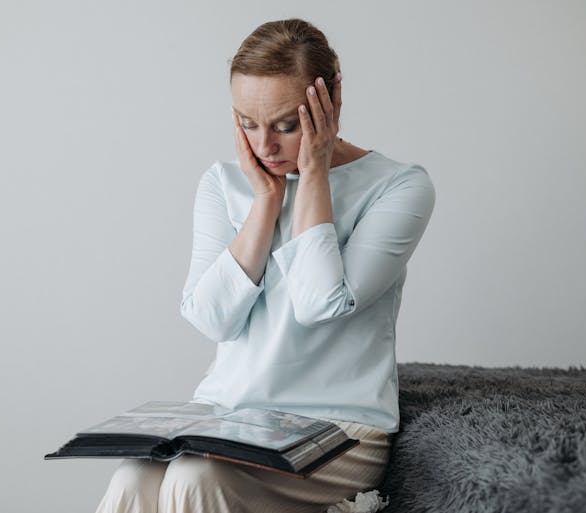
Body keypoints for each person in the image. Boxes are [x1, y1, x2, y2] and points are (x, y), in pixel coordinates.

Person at [95, 18, 435, 513]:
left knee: (195, 477)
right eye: (247, 123)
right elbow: (211, 318)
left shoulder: (399, 187)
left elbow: (321, 304)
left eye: (286, 125)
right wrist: (264, 202)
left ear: (331, 100)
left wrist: (314, 173)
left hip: (341, 426)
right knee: (134, 478)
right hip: (228, 415)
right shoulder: (223, 183)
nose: (264, 147)